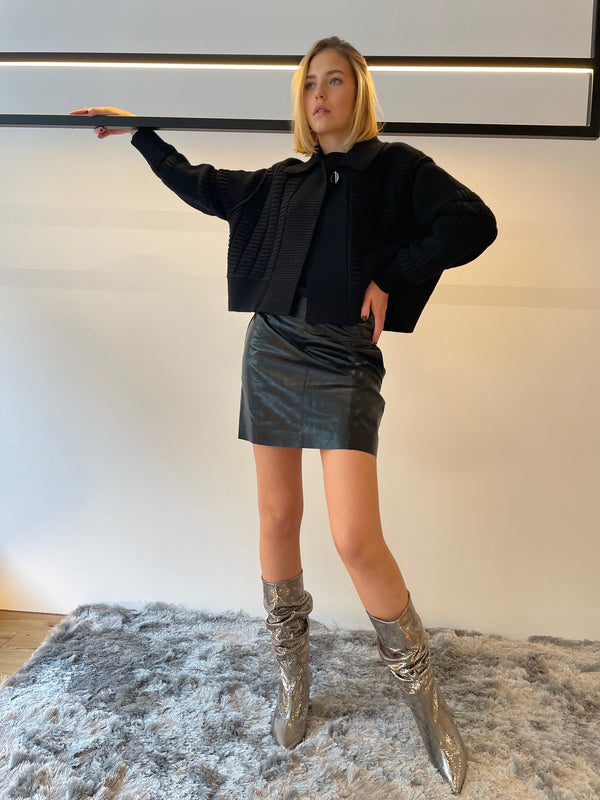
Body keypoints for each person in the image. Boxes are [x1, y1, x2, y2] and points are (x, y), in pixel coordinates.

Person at [70, 35, 496, 794]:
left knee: (355, 537)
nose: (319, 94)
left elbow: (472, 221)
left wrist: (394, 274)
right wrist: (141, 134)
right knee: (276, 517)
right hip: (271, 349)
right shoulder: (282, 180)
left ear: (359, 93)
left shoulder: (396, 169)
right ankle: (294, 682)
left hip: (343, 358)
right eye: (309, 84)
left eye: (334, 81)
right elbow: (203, 185)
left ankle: (427, 703)